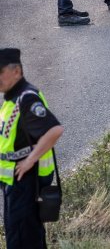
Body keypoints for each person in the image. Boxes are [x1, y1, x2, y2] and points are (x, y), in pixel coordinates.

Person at [0, 48, 63, 249]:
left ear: (16, 71)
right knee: (21, 236)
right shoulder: (11, 100)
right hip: (13, 181)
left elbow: (54, 130)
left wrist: (29, 160)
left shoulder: (27, 99)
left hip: (26, 182)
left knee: (23, 239)